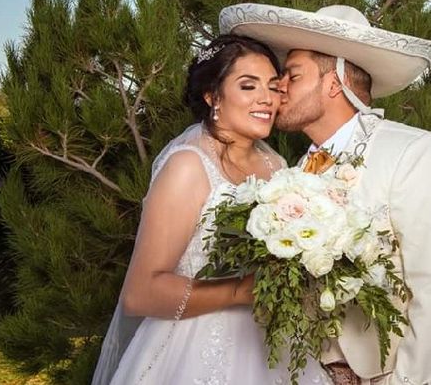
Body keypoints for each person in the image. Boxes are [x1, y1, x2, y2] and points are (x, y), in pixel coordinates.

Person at [220, 4, 431, 385]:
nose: (279, 87)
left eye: (293, 75)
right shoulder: (291, 177)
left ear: (334, 82)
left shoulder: (414, 153)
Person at [92, 34, 332, 385]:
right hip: (192, 351)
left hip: (272, 346)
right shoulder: (188, 166)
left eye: (272, 86)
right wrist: (243, 291)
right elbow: (140, 293)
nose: (267, 98)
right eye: (248, 86)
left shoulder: (275, 164)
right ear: (212, 96)